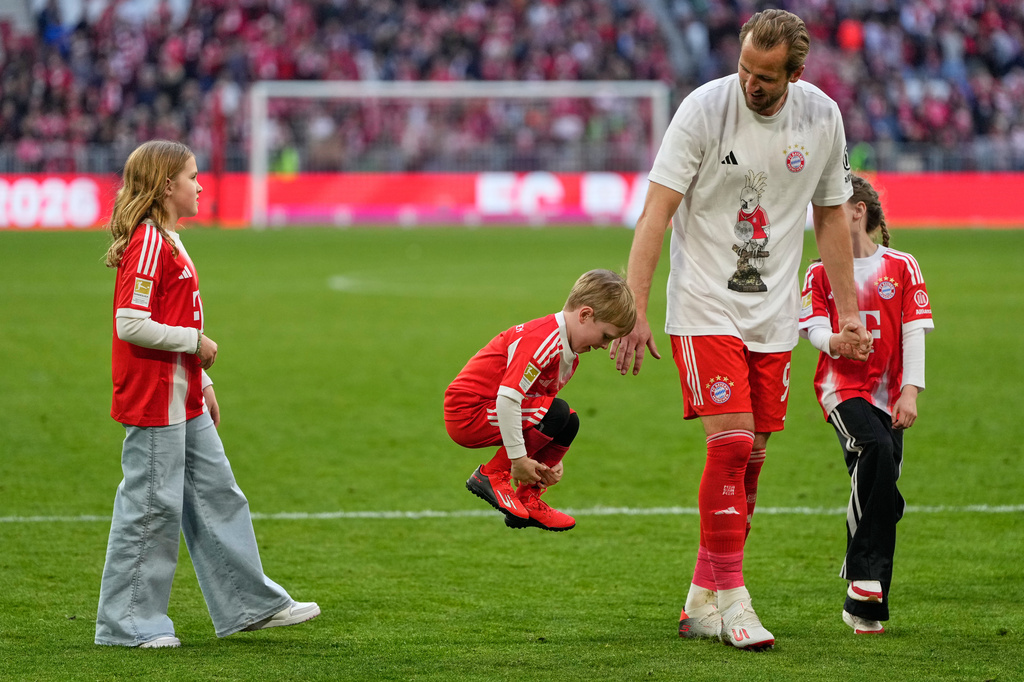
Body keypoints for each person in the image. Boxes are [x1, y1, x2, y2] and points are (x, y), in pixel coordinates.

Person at [610, 9, 873, 651]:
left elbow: (833, 218)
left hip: (773, 315)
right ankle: (734, 600)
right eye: (745, 69)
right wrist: (635, 307)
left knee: (752, 458)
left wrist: (850, 310)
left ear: (795, 73)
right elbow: (656, 212)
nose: (750, 84)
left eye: (765, 77)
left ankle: (703, 598)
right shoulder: (703, 110)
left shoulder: (821, 118)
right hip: (704, 307)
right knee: (730, 446)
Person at [95, 140, 319, 648]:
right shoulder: (151, 241)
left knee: (219, 494)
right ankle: (127, 623)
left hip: (182, 392)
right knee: (151, 507)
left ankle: (249, 603)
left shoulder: (169, 237)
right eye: (193, 176)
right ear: (167, 185)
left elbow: (173, 315)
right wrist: (196, 344)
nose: (201, 185)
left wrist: (204, 380)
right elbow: (130, 323)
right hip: (154, 396)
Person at [798, 175, 934, 635]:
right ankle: (863, 575)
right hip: (841, 388)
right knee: (875, 451)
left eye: (831, 208)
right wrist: (835, 341)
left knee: (885, 495)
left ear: (857, 211)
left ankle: (864, 608)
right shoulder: (818, 271)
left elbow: (914, 331)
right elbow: (813, 328)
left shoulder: (902, 265)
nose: (822, 218)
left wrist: (910, 390)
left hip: (890, 394)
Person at [445, 269, 636, 532]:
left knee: (568, 421)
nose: (605, 346)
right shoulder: (543, 339)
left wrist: (551, 462)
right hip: (469, 412)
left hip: (493, 409)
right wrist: (518, 459)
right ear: (585, 315)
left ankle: (528, 497)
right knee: (557, 412)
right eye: (605, 336)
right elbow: (507, 401)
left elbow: (538, 416)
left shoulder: (569, 357)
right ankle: (492, 475)